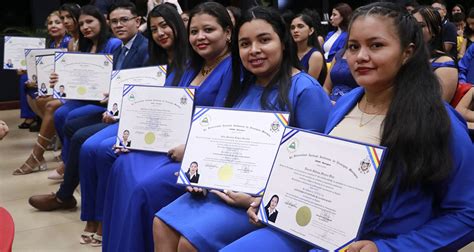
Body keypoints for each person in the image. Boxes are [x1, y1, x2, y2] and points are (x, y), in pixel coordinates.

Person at [221, 3, 474, 251]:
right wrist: (272, 199)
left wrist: (387, 247)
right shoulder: (344, 105)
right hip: (315, 228)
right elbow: (320, 175)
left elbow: (467, 214)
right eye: (353, 47)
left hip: (377, 240)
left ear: (407, 52)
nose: (360, 57)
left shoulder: (438, 121)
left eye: (376, 45)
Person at [153, 6, 332, 252]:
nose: (254, 50)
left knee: (190, 243)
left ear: (283, 41)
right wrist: (200, 172)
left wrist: (259, 199)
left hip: (260, 200)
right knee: (160, 223)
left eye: (264, 40)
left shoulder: (305, 90)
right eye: (245, 43)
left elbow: (314, 169)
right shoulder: (243, 84)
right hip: (223, 187)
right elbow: (223, 141)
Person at [101, 3, 233, 251]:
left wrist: (192, 149)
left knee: (144, 187)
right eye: (194, 31)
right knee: (121, 164)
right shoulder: (193, 64)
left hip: (194, 152)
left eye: (208, 29)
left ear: (227, 33)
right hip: (169, 143)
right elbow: (168, 111)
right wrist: (137, 138)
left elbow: (219, 125)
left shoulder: (232, 68)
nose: (200, 37)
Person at [29, 3, 148, 247]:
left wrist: (114, 104)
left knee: (85, 139)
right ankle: (77, 199)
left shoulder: (135, 47)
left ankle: (81, 204)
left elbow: (139, 85)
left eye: (123, 20)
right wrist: (61, 80)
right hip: (110, 106)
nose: (118, 25)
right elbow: (108, 81)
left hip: (125, 113)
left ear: (137, 21)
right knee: (73, 126)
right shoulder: (122, 48)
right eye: (115, 21)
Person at [14, 5, 79, 175]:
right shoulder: (54, 42)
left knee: (47, 102)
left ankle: (39, 153)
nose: (57, 24)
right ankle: (52, 137)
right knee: (31, 91)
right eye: (51, 22)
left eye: (62, 20)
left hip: (71, 90)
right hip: (61, 86)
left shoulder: (70, 42)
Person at [412, 6, 458, 102]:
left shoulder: (445, 63)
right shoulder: (402, 57)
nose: (415, 30)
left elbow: (437, 107)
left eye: (421, 26)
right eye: (412, 25)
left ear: (435, 30)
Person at [290, 10, 327, 84]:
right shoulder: (290, 53)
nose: (295, 30)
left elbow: (308, 86)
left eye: (300, 26)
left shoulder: (315, 55)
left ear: (311, 31)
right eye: (292, 28)